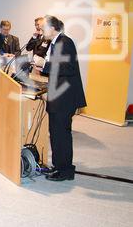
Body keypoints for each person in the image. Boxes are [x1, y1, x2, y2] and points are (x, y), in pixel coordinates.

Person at [33, 16, 86, 182]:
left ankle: (65, 171)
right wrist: (42, 66)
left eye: (42, 29)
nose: (41, 32)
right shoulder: (55, 43)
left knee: (61, 135)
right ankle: (58, 166)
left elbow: (68, 67)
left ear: (52, 28)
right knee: (56, 135)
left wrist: (44, 64)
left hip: (65, 97)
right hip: (58, 95)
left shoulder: (65, 42)